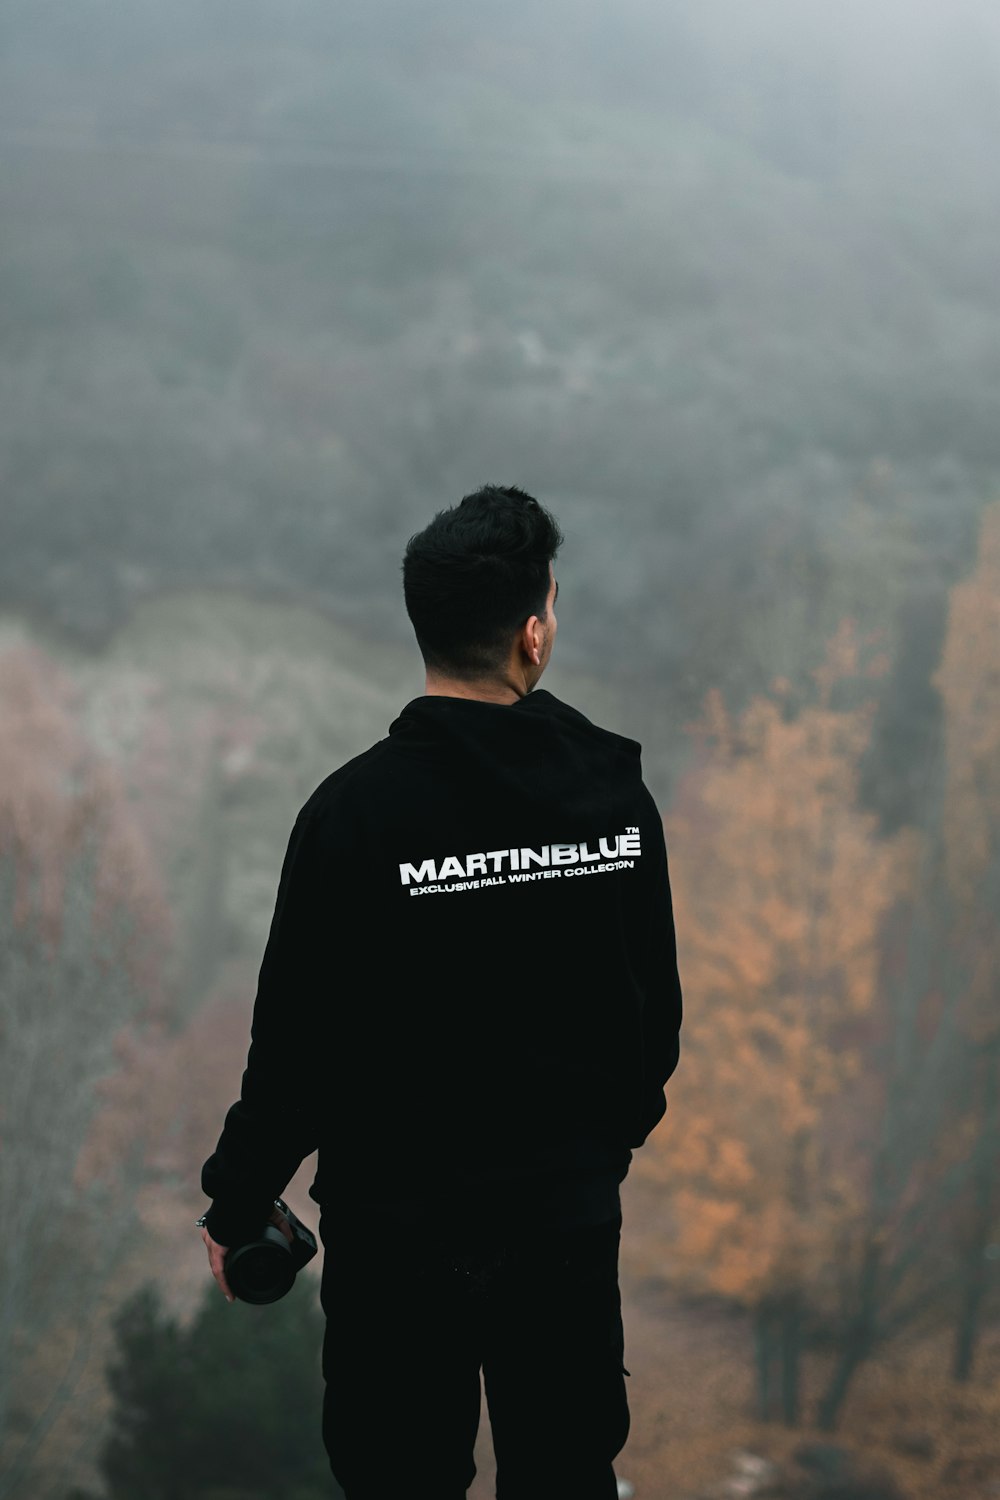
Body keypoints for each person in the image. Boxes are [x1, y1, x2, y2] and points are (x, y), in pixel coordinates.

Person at [199, 485, 683, 1500]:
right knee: (565, 1470)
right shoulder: (613, 797)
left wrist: (239, 1198)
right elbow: (654, 1023)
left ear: (425, 623)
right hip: (563, 1224)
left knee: (398, 1477)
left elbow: (294, 1048)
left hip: (398, 1239)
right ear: (534, 630)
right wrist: (594, 1154)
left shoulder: (350, 814)